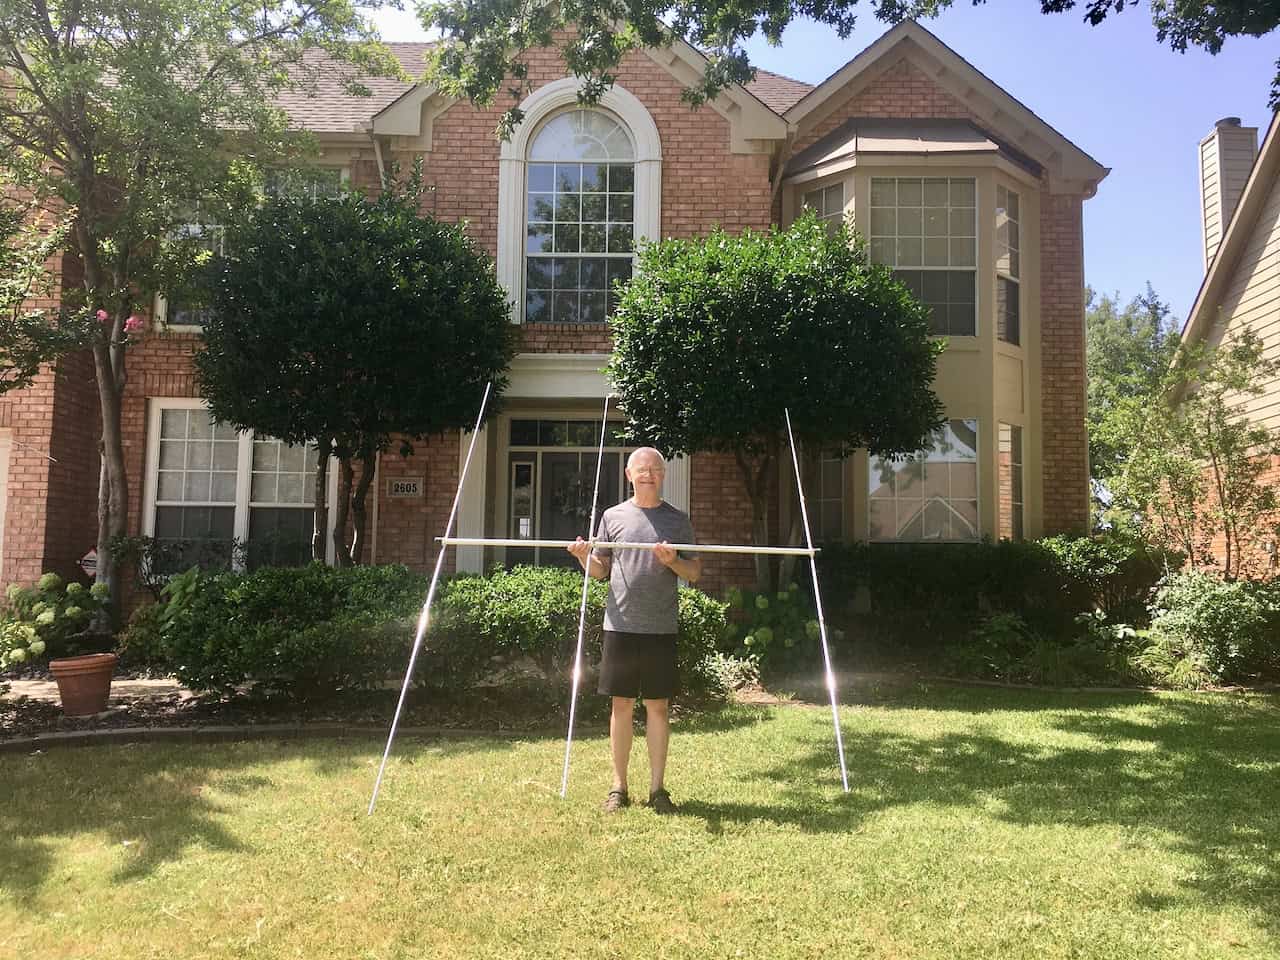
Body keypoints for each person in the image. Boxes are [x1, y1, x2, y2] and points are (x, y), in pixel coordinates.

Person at [567, 446, 702, 814]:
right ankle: (619, 787)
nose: (648, 475)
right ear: (629, 475)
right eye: (641, 469)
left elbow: (694, 572)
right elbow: (601, 571)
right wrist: (583, 556)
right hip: (621, 626)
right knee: (621, 704)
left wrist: (673, 562)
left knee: (658, 706)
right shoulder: (613, 517)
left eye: (655, 469)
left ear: (663, 475)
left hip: (660, 627)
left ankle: (658, 790)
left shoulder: (677, 520)